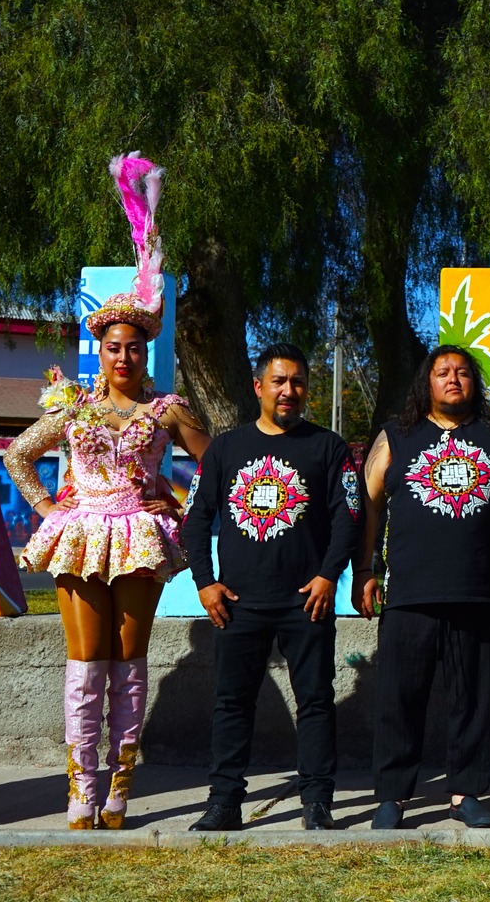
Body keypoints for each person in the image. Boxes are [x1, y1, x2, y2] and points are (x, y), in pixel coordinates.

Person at [6, 155, 210, 829]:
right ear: (101, 350)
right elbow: (18, 456)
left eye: (135, 348)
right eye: (114, 347)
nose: (124, 357)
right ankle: (81, 786)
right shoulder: (72, 407)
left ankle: (121, 781)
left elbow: (217, 467)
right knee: (85, 661)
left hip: (139, 538)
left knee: (129, 659)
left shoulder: (168, 409)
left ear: (147, 352)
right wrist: (48, 508)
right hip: (81, 532)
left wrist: (177, 505)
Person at [183, 342, 358, 832]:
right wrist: (205, 583)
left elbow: (348, 518)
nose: (288, 390)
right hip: (237, 603)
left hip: (307, 601)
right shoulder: (225, 449)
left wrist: (329, 575)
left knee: (316, 702)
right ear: (258, 386)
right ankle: (224, 803)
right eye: (279, 381)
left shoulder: (329, 447)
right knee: (231, 703)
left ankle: (317, 802)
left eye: (298, 382)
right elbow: (195, 519)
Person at [353, 345, 490, 830]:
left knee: (475, 698)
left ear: (475, 383)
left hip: (480, 590)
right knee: (399, 698)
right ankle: (393, 796)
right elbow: (368, 505)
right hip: (410, 592)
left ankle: (466, 794)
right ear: (427, 381)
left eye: (463, 372)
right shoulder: (396, 435)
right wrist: (365, 569)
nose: (453, 379)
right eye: (443, 372)